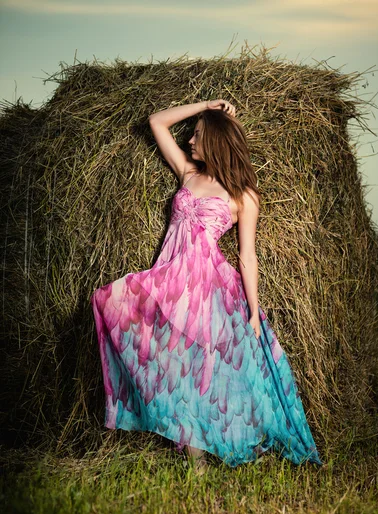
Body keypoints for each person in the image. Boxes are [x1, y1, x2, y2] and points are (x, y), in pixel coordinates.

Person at [90, 99, 323, 472]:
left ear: (214, 140)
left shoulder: (244, 196)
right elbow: (155, 120)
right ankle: (181, 441)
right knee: (115, 307)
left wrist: (250, 311)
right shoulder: (187, 173)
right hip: (169, 279)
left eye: (197, 135)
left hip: (206, 286)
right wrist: (208, 105)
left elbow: (247, 256)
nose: (190, 142)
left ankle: (200, 459)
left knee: (197, 370)